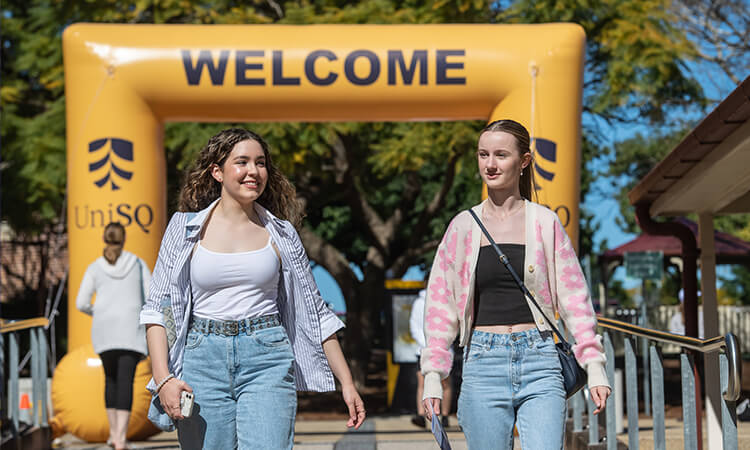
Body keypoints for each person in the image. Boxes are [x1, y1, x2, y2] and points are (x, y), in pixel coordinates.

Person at [140, 128, 365, 449]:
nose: (253, 171)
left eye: (260, 163)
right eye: (241, 162)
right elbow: (158, 311)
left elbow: (315, 314)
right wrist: (163, 379)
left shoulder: (282, 234)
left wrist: (347, 383)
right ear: (217, 172)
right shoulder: (183, 228)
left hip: (267, 358)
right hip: (201, 360)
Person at [420, 119, 611, 449]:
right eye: (483, 155)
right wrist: (433, 376)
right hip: (482, 361)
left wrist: (594, 366)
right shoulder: (463, 227)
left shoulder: (545, 222)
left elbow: (575, 299)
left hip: (540, 360)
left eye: (500, 155)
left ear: (523, 161)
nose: (490, 164)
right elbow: (441, 307)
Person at [76, 222, 150, 450]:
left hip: (104, 330)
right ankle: (121, 438)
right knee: (126, 381)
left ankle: (113, 436)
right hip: (130, 330)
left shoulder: (95, 267)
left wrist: (98, 312)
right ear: (124, 239)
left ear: (104, 238)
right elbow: (151, 295)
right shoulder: (137, 264)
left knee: (110, 380)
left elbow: (81, 303)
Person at [409, 289, 452, 429]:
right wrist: (428, 345)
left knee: (445, 382)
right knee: (422, 382)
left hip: (443, 349)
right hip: (424, 349)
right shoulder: (420, 302)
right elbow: (414, 326)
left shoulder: (446, 299)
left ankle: (444, 415)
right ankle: (422, 415)